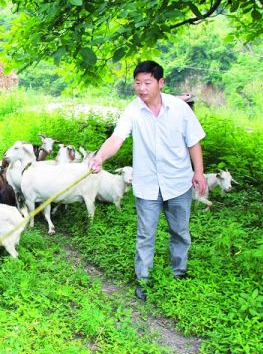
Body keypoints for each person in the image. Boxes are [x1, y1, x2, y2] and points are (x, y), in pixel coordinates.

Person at [89, 61, 207, 301]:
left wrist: (199, 172)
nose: (141, 88)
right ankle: (143, 282)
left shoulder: (179, 109)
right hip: (147, 186)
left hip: (178, 182)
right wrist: (100, 156)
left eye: (147, 83)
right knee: (145, 235)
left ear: (160, 83)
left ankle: (178, 275)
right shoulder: (133, 110)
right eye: (137, 83)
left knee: (181, 232)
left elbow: (193, 141)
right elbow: (117, 138)